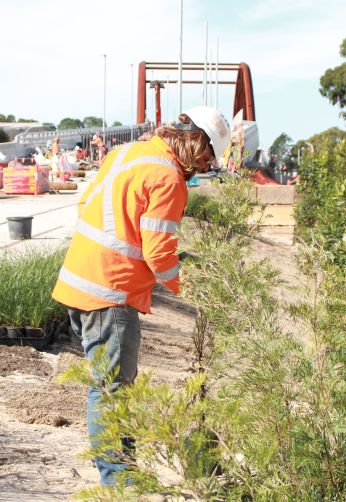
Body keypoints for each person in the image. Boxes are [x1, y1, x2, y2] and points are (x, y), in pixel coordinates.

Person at [51, 106, 230, 485]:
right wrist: (194, 288)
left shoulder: (126, 154)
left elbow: (86, 206)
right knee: (112, 391)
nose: (201, 168)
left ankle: (121, 472)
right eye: (206, 160)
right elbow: (160, 253)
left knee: (109, 385)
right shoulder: (167, 177)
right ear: (198, 145)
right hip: (110, 292)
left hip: (79, 281)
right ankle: (119, 483)